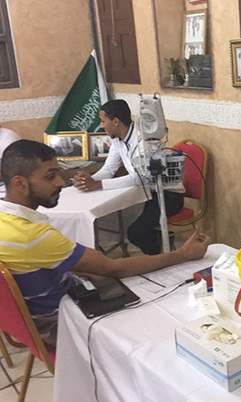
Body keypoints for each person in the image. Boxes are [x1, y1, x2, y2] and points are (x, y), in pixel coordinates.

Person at [0, 140, 211, 345]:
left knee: (114, 279)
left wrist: (93, 270)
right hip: (62, 325)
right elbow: (113, 267)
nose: (60, 182)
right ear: (20, 183)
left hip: (31, 322)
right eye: (50, 176)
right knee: (165, 312)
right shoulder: (32, 236)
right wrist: (183, 254)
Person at [72, 99, 184, 255]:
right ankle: (159, 245)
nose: (101, 126)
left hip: (168, 196)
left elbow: (140, 177)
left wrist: (97, 184)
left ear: (116, 121)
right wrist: (88, 180)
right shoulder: (117, 140)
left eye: (103, 121)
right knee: (134, 228)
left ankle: (158, 259)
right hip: (147, 193)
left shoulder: (143, 140)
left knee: (136, 233)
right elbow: (109, 169)